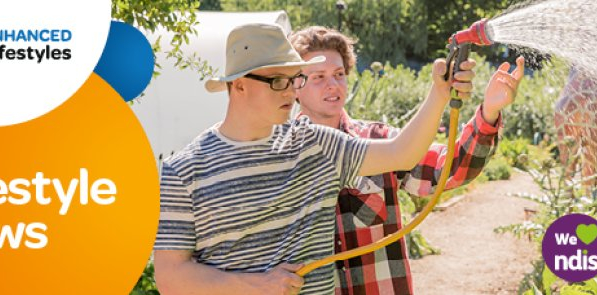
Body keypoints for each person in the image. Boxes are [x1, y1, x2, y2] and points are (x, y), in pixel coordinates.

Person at [153, 22, 499, 295]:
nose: (291, 90)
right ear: (240, 85)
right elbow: (170, 277)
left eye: (295, 79)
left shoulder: (316, 145)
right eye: (279, 81)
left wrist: (440, 94)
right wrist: (255, 286)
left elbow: (402, 153)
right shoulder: (183, 170)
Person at [288, 26, 525, 295]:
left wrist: (489, 112)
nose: (333, 84)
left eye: (339, 74)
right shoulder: (279, 157)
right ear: (293, 85)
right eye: (318, 77)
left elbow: (450, 169)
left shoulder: (382, 143)